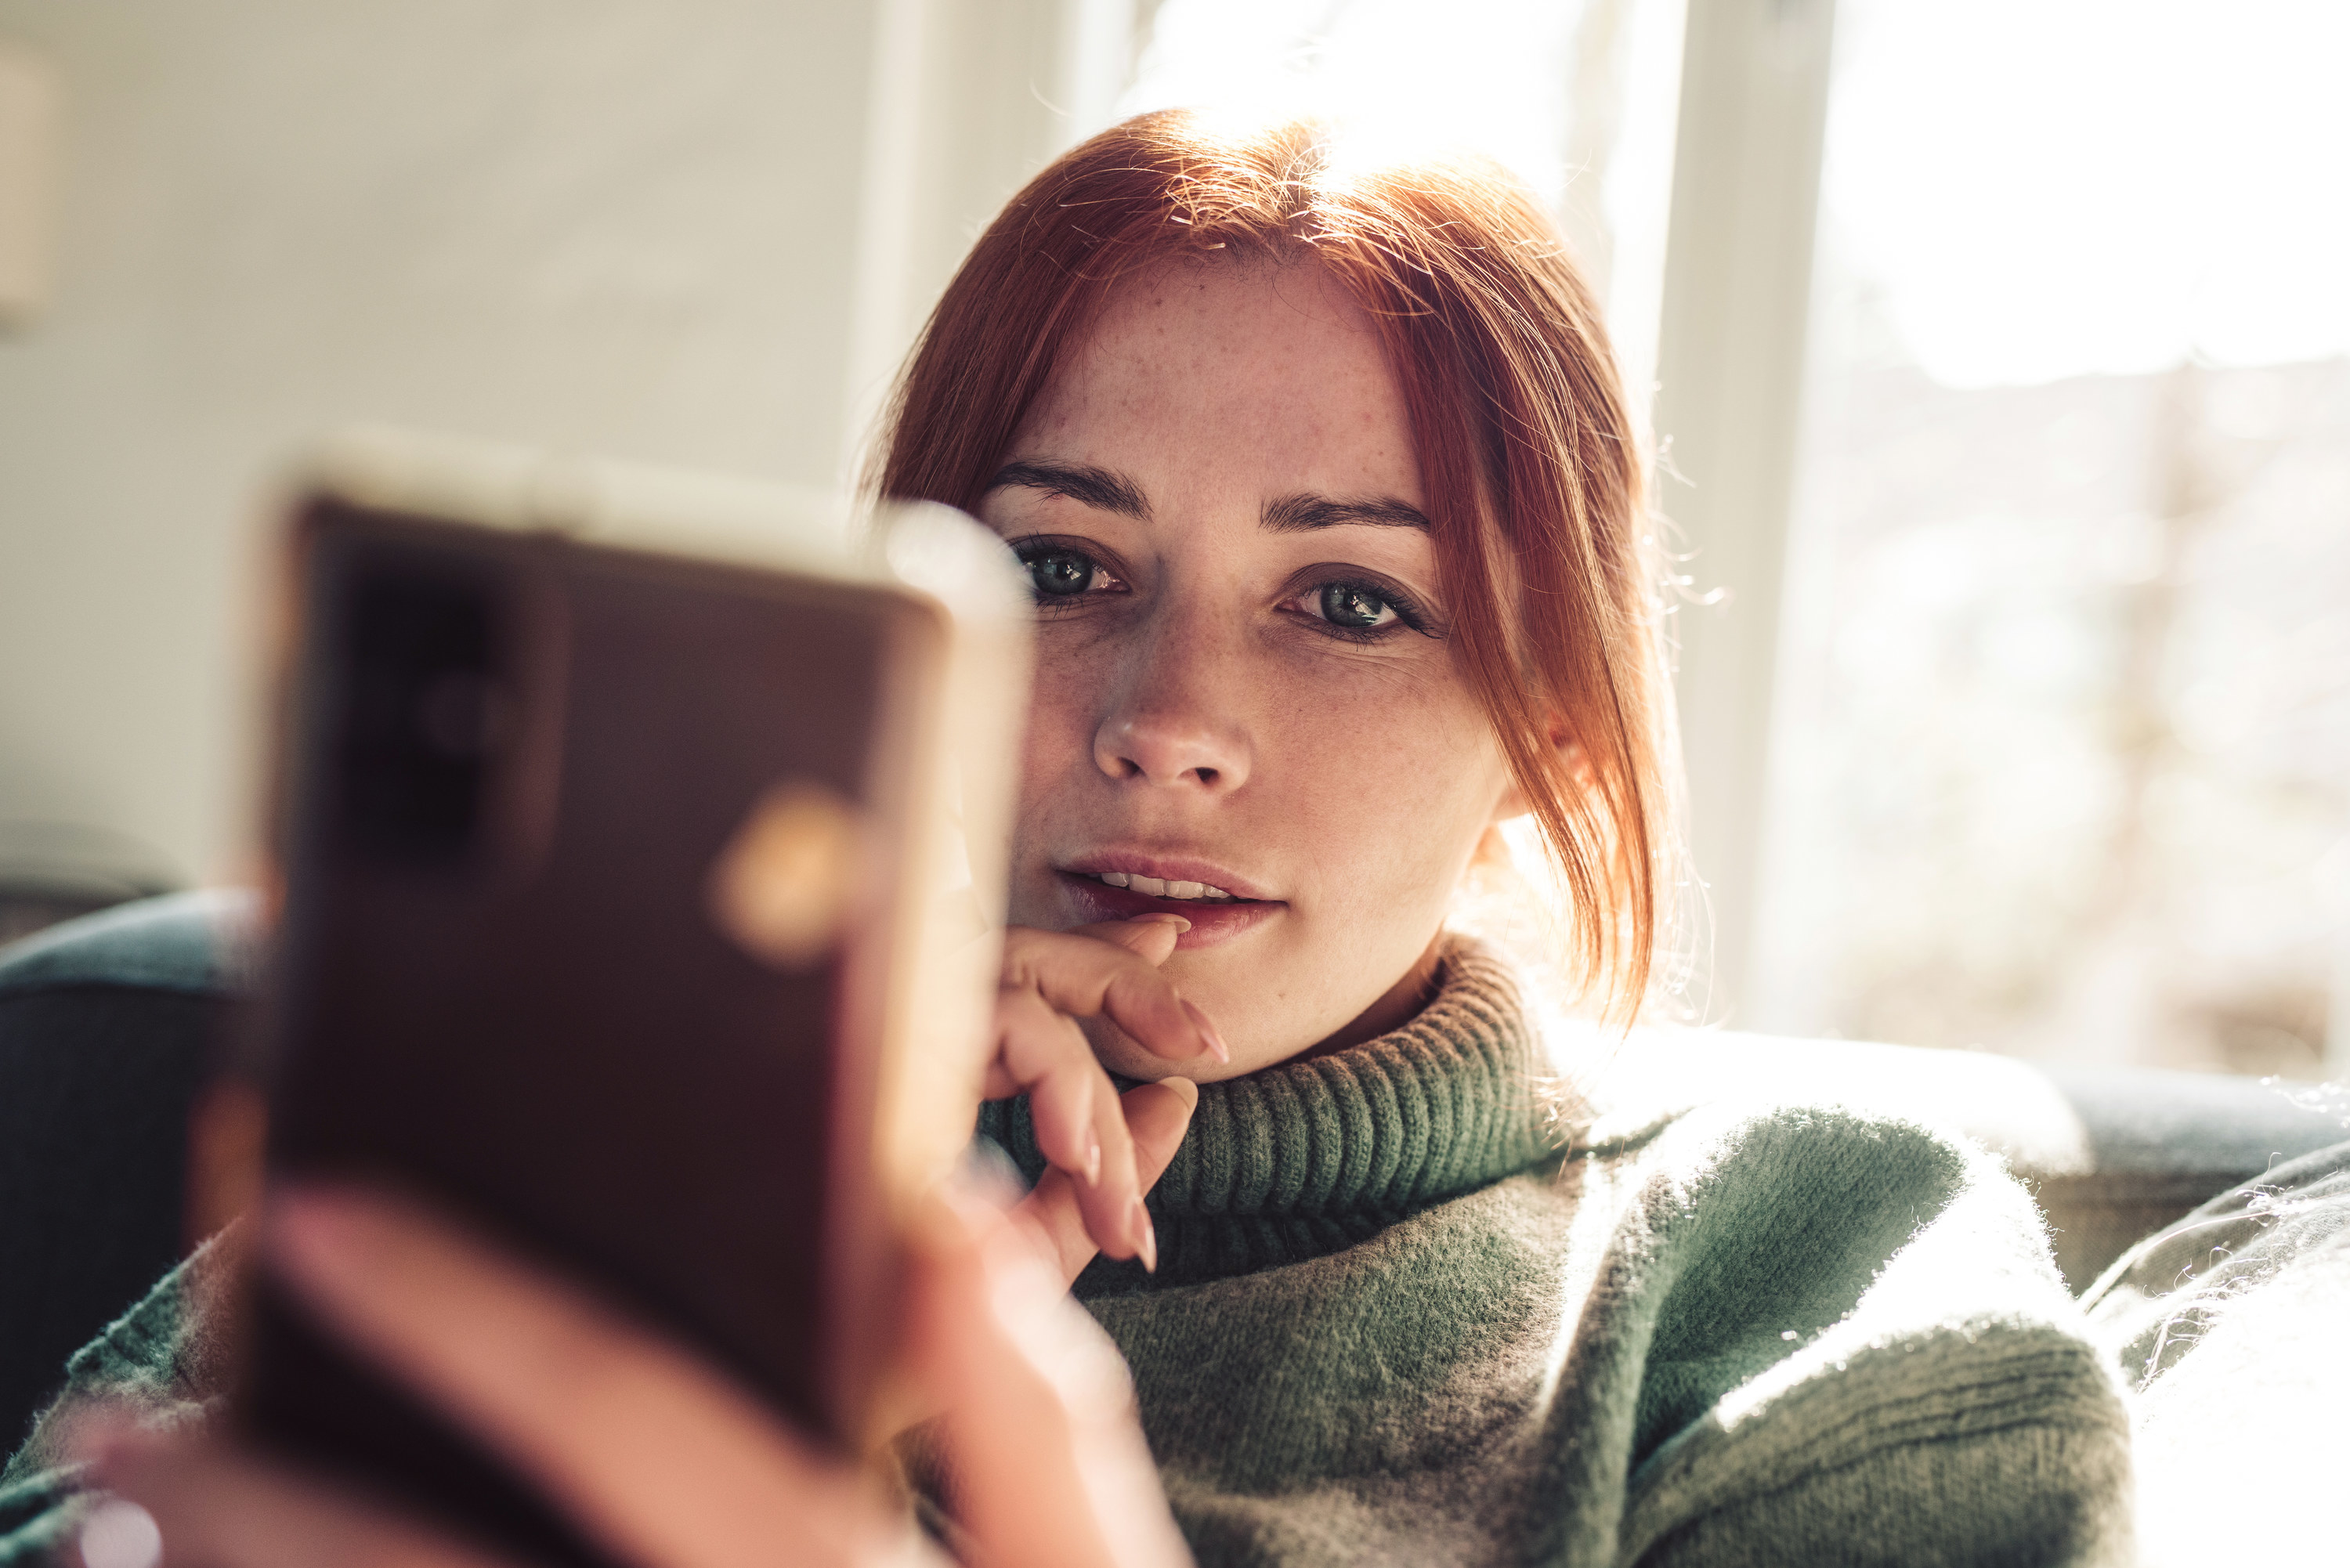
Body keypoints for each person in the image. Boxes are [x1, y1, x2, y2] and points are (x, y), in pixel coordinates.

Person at [0, 110, 2135, 1566]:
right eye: (1057, 568)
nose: (1174, 723)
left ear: (1547, 719)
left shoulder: (1819, 1282)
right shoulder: (596, 1136)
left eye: (1356, 600)